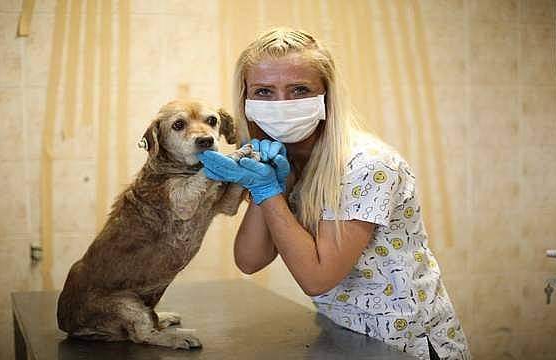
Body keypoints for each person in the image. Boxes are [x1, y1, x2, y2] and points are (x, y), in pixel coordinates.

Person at [197, 27, 470, 360]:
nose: (281, 104)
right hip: (344, 339)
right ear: (246, 101)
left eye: (299, 89)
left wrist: (268, 192)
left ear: (326, 94)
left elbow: (317, 278)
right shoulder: (284, 159)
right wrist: (268, 184)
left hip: (405, 345)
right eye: (264, 91)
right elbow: (250, 260)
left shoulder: (366, 165)